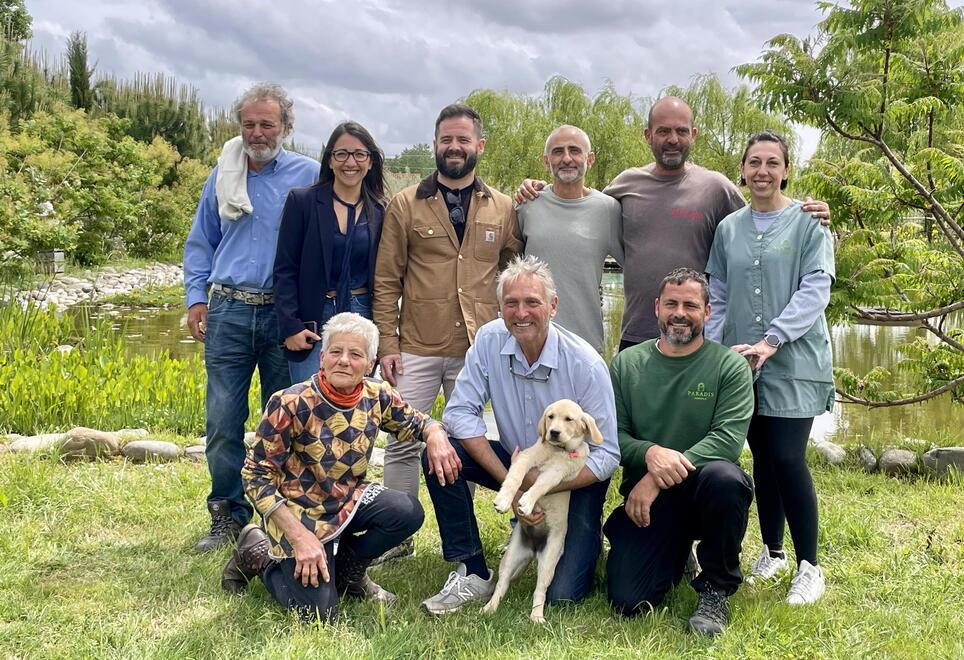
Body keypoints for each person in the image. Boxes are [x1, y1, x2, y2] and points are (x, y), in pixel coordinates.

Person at [516, 97, 830, 349]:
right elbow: (578, 204)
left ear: (693, 135)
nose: (672, 139)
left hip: (698, 335)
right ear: (648, 135)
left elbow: (761, 222)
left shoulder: (716, 188)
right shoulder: (625, 185)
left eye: (681, 131)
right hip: (637, 334)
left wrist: (803, 211)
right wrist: (537, 189)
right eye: (664, 131)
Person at [221, 313, 460, 622]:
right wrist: (299, 537)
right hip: (297, 514)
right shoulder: (289, 403)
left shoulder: (378, 395)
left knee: (406, 511)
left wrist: (436, 434)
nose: (344, 361)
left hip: (347, 502)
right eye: (336, 352)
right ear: (322, 358)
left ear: (370, 364)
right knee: (320, 615)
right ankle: (260, 555)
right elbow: (255, 476)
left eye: (355, 354)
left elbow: (416, 422)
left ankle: (348, 572)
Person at [420, 255, 619, 614]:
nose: (521, 312)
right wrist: (513, 484)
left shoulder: (585, 363)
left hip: (573, 476)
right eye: (511, 303)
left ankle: (585, 541)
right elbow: (460, 413)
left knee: (564, 595)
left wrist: (540, 486)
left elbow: (607, 455)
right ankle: (473, 570)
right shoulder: (488, 340)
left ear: (553, 306)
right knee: (442, 451)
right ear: (500, 308)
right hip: (516, 464)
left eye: (532, 302)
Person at [373, 103, 523, 532]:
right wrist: (387, 342)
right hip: (417, 345)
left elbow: (513, 273)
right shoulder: (405, 205)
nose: (454, 147)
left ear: (480, 145)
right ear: (435, 144)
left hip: (478, 349)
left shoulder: (502, 207)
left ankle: (463, 529)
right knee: (403, 440)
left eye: (462, 140)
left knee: (470, 442)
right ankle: (397, 531)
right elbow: (386, 279)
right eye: (446, 140)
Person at [183, 82, 320, 552]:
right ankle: (227, 514)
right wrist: (195, 298)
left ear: (286, 126)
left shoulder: (310, 176)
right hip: (229, 311)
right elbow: (201, 241)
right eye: (249, 124)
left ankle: (286, 516)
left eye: (267, 124)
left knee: (288, 422)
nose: (257, 133)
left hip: (287, 318)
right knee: (223, 419)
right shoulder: (223, 173)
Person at [705, 131, 835, 605]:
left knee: (786, 457)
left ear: (786, 170)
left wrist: (773, 338)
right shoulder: (729, 229)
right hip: (743, 363)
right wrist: (717, 350)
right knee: (761, 457)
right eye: (754, 162)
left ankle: (809, 566)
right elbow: (717, 293)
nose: (763, 171)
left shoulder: (808, 223)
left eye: (772, 162)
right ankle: (773, 552)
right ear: (742, 169)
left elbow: (816, 288)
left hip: (795, 359)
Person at [606, 267, 754, 636]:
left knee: (727, 478)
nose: (679, 312)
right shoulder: (627, 364)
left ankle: (716, 588)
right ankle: (673, 553)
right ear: (656, 308)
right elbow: (613, 436)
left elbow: (727, 440)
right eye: (671, 303)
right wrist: (650, 451)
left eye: (690, 304)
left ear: (708, 311)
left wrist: (656, 476)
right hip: (649, 507)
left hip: (704, 494)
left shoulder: (729, 367)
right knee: (628, 601)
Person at [274, 121, 387, 384]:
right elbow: (284, 270)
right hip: (313, 317)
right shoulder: (302, 202)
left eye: (360, 154)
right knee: (310, 401)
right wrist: (291, 326)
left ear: (370, 162)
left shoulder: (381, 211)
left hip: (362, 313)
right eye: (342, 154)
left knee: (353, 404)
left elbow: (388, 276)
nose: (351, 162)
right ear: (330, 160)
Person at [516, 125, 623, 353]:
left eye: (574, 150)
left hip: (585, 343)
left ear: (590, 158)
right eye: (558, 152)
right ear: (546, 161)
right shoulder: (527, 205)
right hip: (532, 340)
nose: (566, 158)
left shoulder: (608, 210)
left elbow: (635, 269)